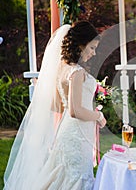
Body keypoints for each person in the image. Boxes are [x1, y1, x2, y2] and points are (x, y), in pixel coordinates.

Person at [4, 21, 106, 189]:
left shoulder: (63, 68)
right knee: (76, 178)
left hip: (70, 131)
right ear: (80, 45)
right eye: (92, 48)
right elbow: (75, 110)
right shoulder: (77, 72)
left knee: (67, 176)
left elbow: (61, 105)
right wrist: (99, 116)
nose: (94, 53)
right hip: (76, 134)